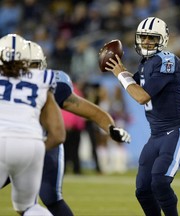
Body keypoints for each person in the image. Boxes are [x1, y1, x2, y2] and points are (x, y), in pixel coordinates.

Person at [2, 40, 131, 216]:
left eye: (35, 66)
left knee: (49, 199)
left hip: (24, 143)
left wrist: (110, 127)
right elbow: (67, 128)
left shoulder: (46, 84)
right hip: (36, 145)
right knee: (31, 206)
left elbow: (91, 112)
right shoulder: (48, 81)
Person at [105, 17, 180, 216]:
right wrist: (115, 66)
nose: (145, 42)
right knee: (143, 190)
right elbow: (132, 82)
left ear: (162, 40)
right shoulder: (147, 63)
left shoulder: (167, 60)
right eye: (143, 37)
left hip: (175, 131)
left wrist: (120, 74)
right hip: (156, 136)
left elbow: (141, 96)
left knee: (160, 182)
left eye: (151, 38)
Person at [0, 34, 65, 215]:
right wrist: (33, 149)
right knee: (28, 207)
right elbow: (59, 134)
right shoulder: (42, 78)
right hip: (31, 144)